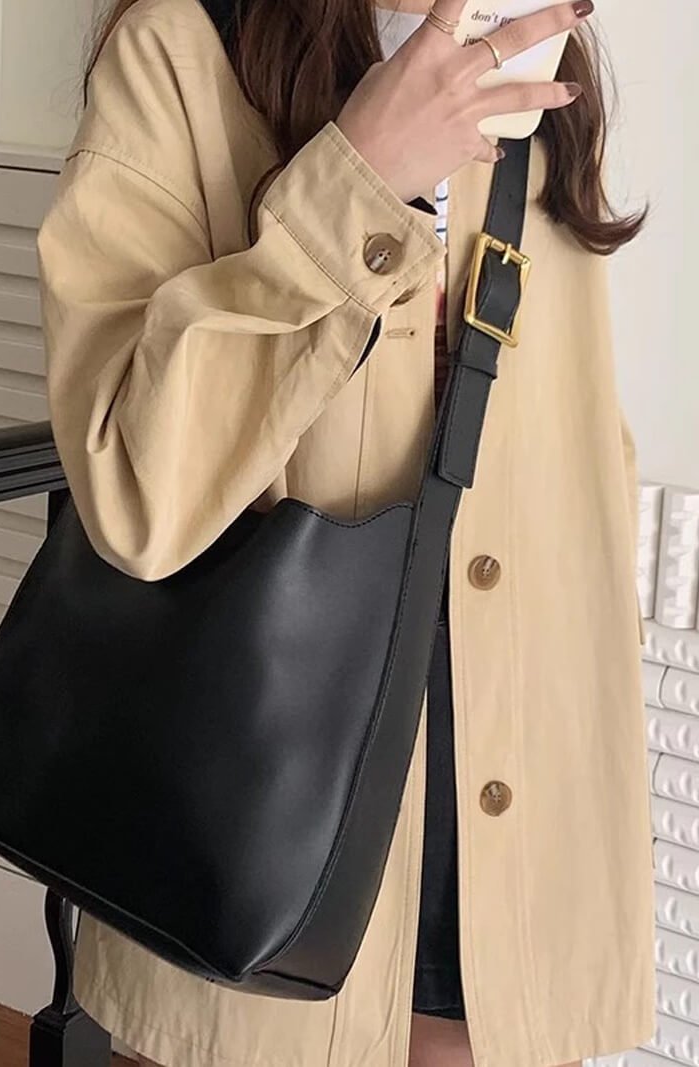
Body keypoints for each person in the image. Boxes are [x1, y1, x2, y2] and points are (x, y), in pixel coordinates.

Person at [35, 0, 655, 1065]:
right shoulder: (181, 52)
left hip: (510, 745)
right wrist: (358, 185)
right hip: (261, 753)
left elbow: (578, 431)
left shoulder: (541, 49)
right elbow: (136, 491)